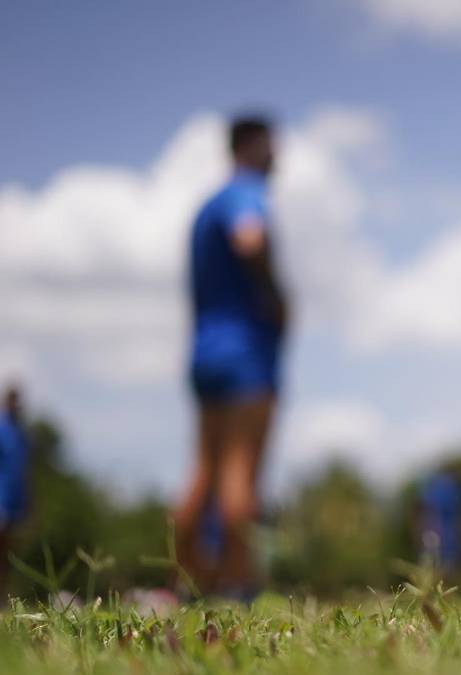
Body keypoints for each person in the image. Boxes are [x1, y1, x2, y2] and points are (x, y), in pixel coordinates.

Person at [174, 114, 289, 598]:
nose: (277, 154)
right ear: (249, 146)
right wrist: (275, 295)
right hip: (245, 351)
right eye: (270, 145)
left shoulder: (205, 206)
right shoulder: (246, 192)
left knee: (204, 468)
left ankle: (186, 578)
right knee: (241, 470)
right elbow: (250, 238)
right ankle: (238, 584)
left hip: (204, 353)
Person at [0, 383, 29, 599]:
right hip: (1, 497)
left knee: (8, 553)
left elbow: (24, 470)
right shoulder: (2, 428)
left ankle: (3, 597)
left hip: (15, 499)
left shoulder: (21, 434)